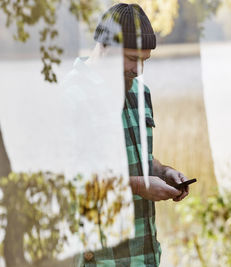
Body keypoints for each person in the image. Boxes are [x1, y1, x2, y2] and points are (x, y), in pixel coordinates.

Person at [75, 3, 190, 266]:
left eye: (144, 60)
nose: (138, 70)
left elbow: (136, 158)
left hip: (144, 257)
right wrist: (141, 185)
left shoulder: (140, 92)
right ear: (104, 47)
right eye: (131, 58)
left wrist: (163, 173)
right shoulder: (71, 98)